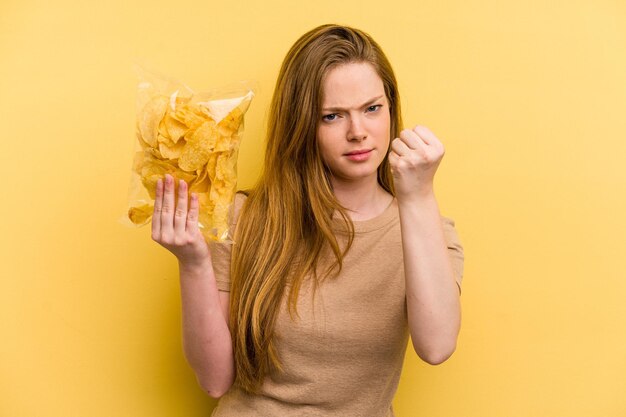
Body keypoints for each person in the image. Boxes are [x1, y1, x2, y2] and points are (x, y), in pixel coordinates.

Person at [150, 23, 464, 417]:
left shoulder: (428, 231)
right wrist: (194, 263)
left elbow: (436, 346)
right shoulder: (244, 218)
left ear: (391, 108)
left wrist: (417, 195)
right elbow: (215, 380)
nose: (358, 133)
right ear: (303, 125)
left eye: (372, 109)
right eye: (332, 116)